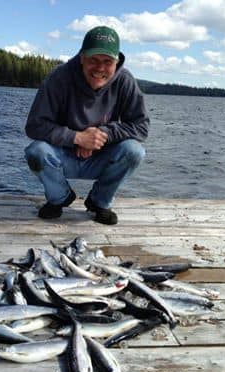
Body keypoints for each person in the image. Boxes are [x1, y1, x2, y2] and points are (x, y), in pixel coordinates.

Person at [24, 26, 149, 225]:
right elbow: (34, 125)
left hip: (101, 157)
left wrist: (102, 135)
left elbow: (141, 126)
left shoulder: (124, 81)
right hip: (63, 156)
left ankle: (99, 202)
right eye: (93, 60)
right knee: (36, 151)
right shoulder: (59, 78)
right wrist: (77, 138)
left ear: (116, 62)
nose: (100, 68)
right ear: (82, 57)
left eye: (107, 62)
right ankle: (59, 198)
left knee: (134, 151)